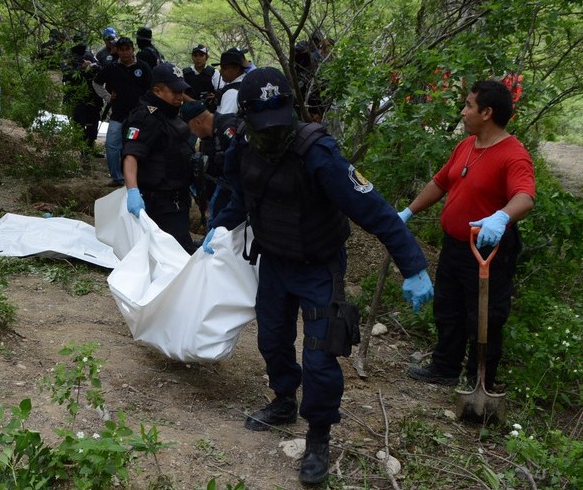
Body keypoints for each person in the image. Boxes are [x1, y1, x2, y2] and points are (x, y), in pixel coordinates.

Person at [205, 67, 433, 484]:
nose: (272, 132)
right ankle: (283, 400)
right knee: (272, 337)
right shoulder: (244, 145)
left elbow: (375, 211)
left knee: (320, 354)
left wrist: (414, 266)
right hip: (273, 260)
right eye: (262, 123)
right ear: (247, 117)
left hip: (318, 267)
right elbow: (243, 194)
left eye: (278, 121)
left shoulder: (318, 153)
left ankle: (318, 435)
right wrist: (220, 225)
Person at [401, 80, 535, 391]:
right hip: (455, 246)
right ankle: (445, 368)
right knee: (448, 308)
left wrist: (502, 217)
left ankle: (481, 381)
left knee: (485, 316)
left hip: (487, 251)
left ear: (487, 112)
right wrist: (408, 212)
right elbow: (440, 182)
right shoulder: (466, 145)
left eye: (468, 106)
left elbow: (525, 196)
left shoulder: (513, 154)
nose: (463, 112)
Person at [122, 63, 196, 254]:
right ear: (157, 90)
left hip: (180, 198)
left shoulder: (171, 114)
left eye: (182, 91)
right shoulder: (145, 117)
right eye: (174, 91)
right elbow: (131, 155)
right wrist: (132, 191)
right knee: (176, 254)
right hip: (159, 200)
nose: (179, 96)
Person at [92, 37, 152, 187]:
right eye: (122, 50)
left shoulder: (143, 67)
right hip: (118, 113)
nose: (125, 53)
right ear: (117, 51)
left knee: (134, 147)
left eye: (128, 49)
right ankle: (117, 177)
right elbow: (96, 82)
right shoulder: (112, 67)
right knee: (112, 145)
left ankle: (136, 178)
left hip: (138, 116)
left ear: (133, 49)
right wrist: (107, 97)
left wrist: (148, 109)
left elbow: (151, 90)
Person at [180, 100, 238, 224]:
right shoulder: (206, 141)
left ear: (198, 122)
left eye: (191, 129)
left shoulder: (227, 128)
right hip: (225, 189)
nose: (192, 133)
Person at [62, 37, 103, 155]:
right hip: (75, 97)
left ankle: (89, 149)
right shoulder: (68, 57)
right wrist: (82, 68)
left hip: (92, 96)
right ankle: (82, 149)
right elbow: (67, 74)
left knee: (92, 124)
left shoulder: (89, 55)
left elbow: (100, 69)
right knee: (78, 123)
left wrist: (92, 66)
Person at [211, 48, 247, 115]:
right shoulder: (247, 83)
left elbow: (223, 121)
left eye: (224, 68)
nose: (220, 71)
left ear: (236, 68)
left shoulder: (232, 93)